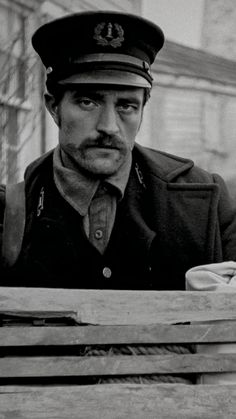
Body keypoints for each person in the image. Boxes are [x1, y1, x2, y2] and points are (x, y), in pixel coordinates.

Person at [0, 10, 236, 289]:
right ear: (54, 107)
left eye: (126, 105)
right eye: (88, 102)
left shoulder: (206, 203)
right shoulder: (10, 214)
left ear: (142, 110)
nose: (109, 126)